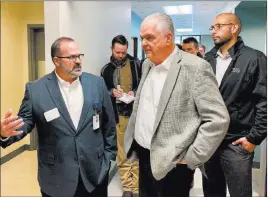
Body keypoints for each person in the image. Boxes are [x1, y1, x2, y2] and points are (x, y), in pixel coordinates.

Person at [124, 13, 230, 197]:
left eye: (149, 38)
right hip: (144, 153)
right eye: (142, 38)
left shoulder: (195, 67)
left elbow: (218, 119)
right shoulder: (147, 64)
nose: (143, 43)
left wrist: (193, 157)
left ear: (168, 38)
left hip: (174, 162)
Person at [0, 37, 117, 197]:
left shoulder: (97, 84)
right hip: (56, 177)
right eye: (71, 57)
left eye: (79, 56)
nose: (78, 61)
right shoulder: (37, 90)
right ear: (56, 60)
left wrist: (108, 158)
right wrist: (5, 134)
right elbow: (25, 122)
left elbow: (109, 124)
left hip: (94, 173)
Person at [202, 13, 267, 197]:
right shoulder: (207, 59)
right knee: (212, 193)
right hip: (210, 142)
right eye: (212, 27)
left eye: (219, 26)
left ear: (234, 28)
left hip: (237, 144)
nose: (214, 31)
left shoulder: (254, 58)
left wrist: (254, 138)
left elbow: (264, 101)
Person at [101, 35, 141, 197]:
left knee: (137, 151)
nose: (120, 55)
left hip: (136, 115)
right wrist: (112, 92)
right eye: (117, 52)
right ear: (112, 49)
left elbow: (144, 86)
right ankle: (127, 188)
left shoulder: (137, 65)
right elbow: (103, 91)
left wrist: (135, 92)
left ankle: (137, 187)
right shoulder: (106, 69)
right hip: (118, 116)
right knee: (122, 152)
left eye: (123, 53)